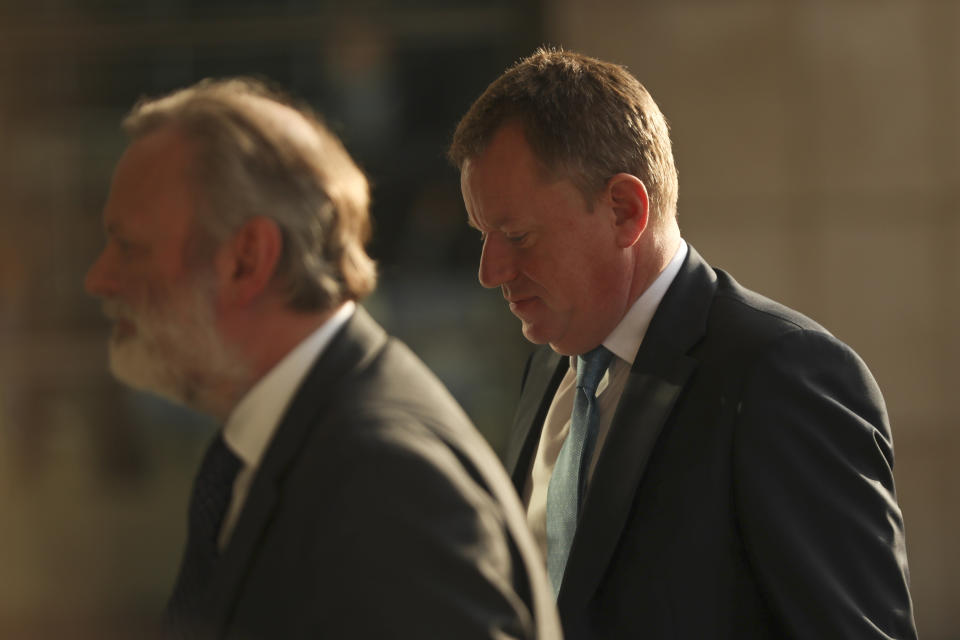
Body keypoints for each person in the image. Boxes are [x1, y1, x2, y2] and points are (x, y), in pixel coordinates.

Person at [449, 48, 917, 639]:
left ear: (625, 209)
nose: (490, 271)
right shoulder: (550, 364)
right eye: (483, 235)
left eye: (516, 235)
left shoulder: (783, 376)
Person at [84, 77, 561, 640]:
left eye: (129, 245)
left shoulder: (386, 482)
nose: (100, 279)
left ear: (246, 259)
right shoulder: (289, 444)